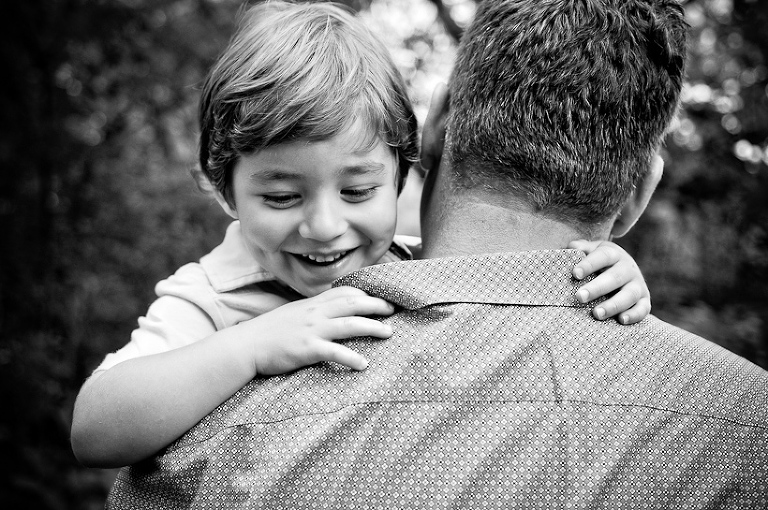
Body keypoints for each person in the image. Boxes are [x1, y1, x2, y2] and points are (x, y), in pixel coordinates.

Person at [104, 0, 768, 507]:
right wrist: (247, 347)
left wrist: (611, 270)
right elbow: (97, 427)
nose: (325, 227)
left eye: (358, 190)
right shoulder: (214, 293)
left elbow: (478, 281)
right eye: (281, 197)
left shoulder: (404, 261)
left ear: (413, 155)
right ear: (224, 190)